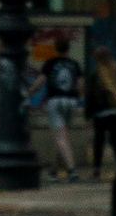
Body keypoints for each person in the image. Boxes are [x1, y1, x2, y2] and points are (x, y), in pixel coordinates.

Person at [34, 35, 85, 182]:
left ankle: (72, 170)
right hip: (70, 101)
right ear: (68, 48)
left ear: (56, 49)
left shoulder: (50, 64)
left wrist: (31, 91)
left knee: (61, 139)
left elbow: (40, 81)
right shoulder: (75, 64)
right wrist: (78, 98)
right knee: (61, 139)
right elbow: (80, 84)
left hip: (55, 102)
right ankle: (53, 172)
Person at [87, 47, 116, 178]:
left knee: (99, 141)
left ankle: (97, 169)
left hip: (101, 112)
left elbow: (90, 96)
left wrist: (88, 115)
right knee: (115, 139)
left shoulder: (96, 74)